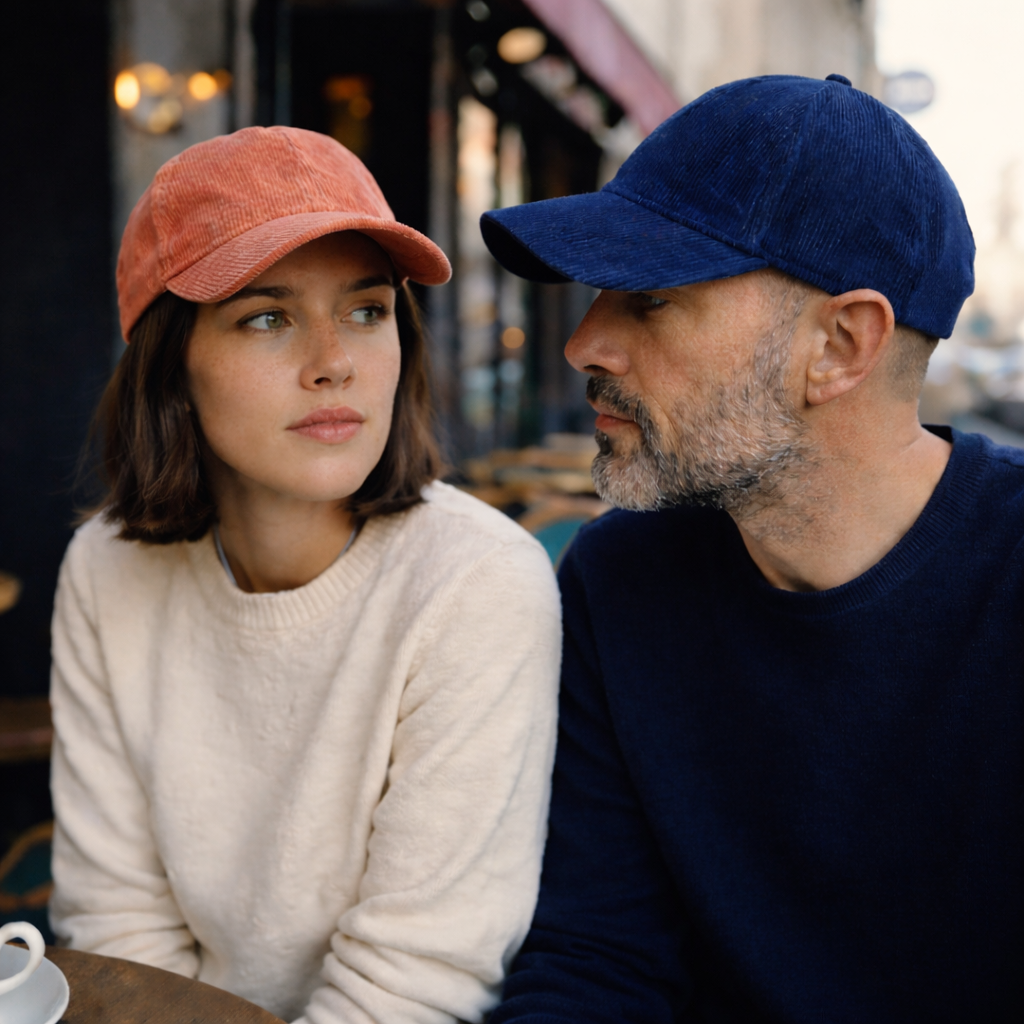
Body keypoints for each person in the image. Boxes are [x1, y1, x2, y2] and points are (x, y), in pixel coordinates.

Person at [480, 75, 1022, 1022]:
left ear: (843, 345)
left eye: (648, 299)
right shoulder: (622, 582)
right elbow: (597, 959)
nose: (583, 343)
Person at [48, 126, 561, 1024]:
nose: (335, 362)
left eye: (367, 311)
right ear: (171, 370)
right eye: (268, 318)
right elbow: (115, 927)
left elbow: (415, 982)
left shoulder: (478, 583)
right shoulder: (107, 569)